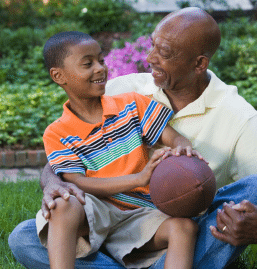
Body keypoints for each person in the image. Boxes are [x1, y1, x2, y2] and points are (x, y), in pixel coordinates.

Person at [9, 7, 257, 269]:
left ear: (198, 64)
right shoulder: (123, 90)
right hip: (105, 217)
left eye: (166, 52)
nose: (150, 58)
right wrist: (54, 184)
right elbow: (66, 155)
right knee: (24, 237)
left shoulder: (239, 116)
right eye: (152, 46)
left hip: (169, 223)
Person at [33, 31, 205, 269]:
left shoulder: (131, 104)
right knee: (62, 204)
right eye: (87, 64)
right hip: (97, 210)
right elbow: (78, 182)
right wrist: (138, 178)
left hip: (142, 212)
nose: (100, 68)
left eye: (101, 60)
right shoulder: (57, 132)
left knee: (185, 227)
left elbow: (174, 138)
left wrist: (183, 149)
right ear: (58, 75)